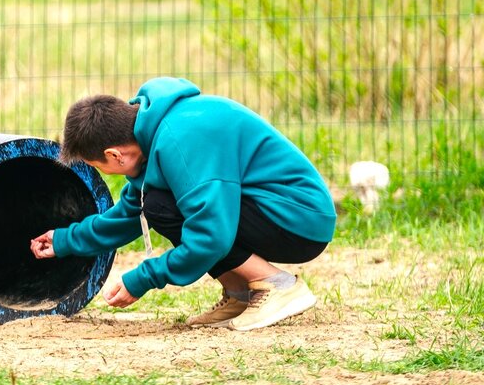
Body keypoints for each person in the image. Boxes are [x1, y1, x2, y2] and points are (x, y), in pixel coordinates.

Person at [30, 77, 336, 331]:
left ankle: (275, 284)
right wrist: (64, 240)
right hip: (273, 209)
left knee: (163, 207)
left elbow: (211, 237)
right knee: (159, 204)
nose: (102, 171)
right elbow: (129, 214)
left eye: (96, 165)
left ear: (114, 155)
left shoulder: (181, 140)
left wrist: (144, 278)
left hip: (299, 219)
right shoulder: (152, 134)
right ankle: (240, 294)